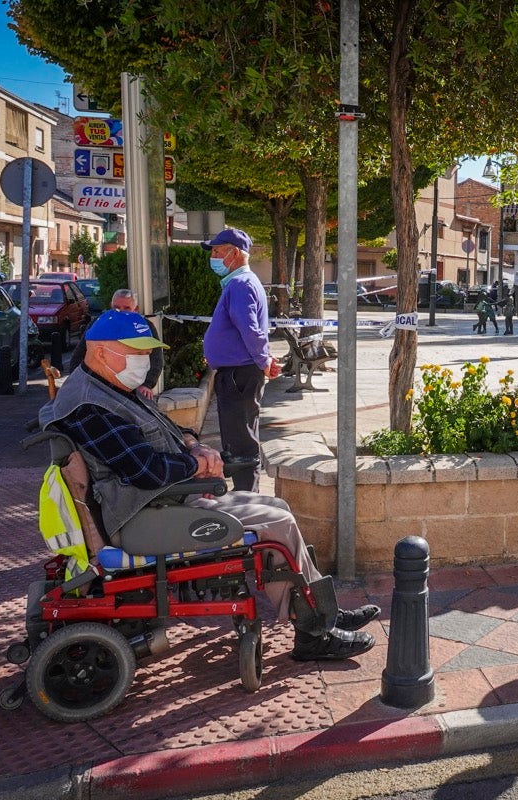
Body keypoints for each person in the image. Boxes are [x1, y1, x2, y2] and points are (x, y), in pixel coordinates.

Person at [38, 310, 378, 661]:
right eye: (136, 352)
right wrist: (197, 464)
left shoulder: (108, 385)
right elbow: (146, 471)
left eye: (145, 352)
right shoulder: (89, 406)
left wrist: (190, 443)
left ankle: (323, 614)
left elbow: (158, 435)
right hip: (143, 516)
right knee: (277, 527)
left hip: (158, 504)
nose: (144, 361)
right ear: (100, 350)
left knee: (279, 509)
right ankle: (313, 634)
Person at [201, 228, 281, 492]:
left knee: (240, 442)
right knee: (240, 437)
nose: (212, 257)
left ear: (234, 253)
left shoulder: (240, 284)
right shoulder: (241, 283)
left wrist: (263, 360)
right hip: (238, 372)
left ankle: (247, 497)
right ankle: (247, 494)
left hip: (238, 374)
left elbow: (250, 328)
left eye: (216, 251)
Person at [67, 289, 163, 399]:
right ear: (111, 307)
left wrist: (147, 384)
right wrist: (76, 381)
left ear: (135, 309)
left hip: (133, 390)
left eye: (126, 308)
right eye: (117, 308)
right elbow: (79, 354)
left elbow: (156, 358)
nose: (121, 312)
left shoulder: (145, 327)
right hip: (98, 388)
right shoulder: (99, 324)